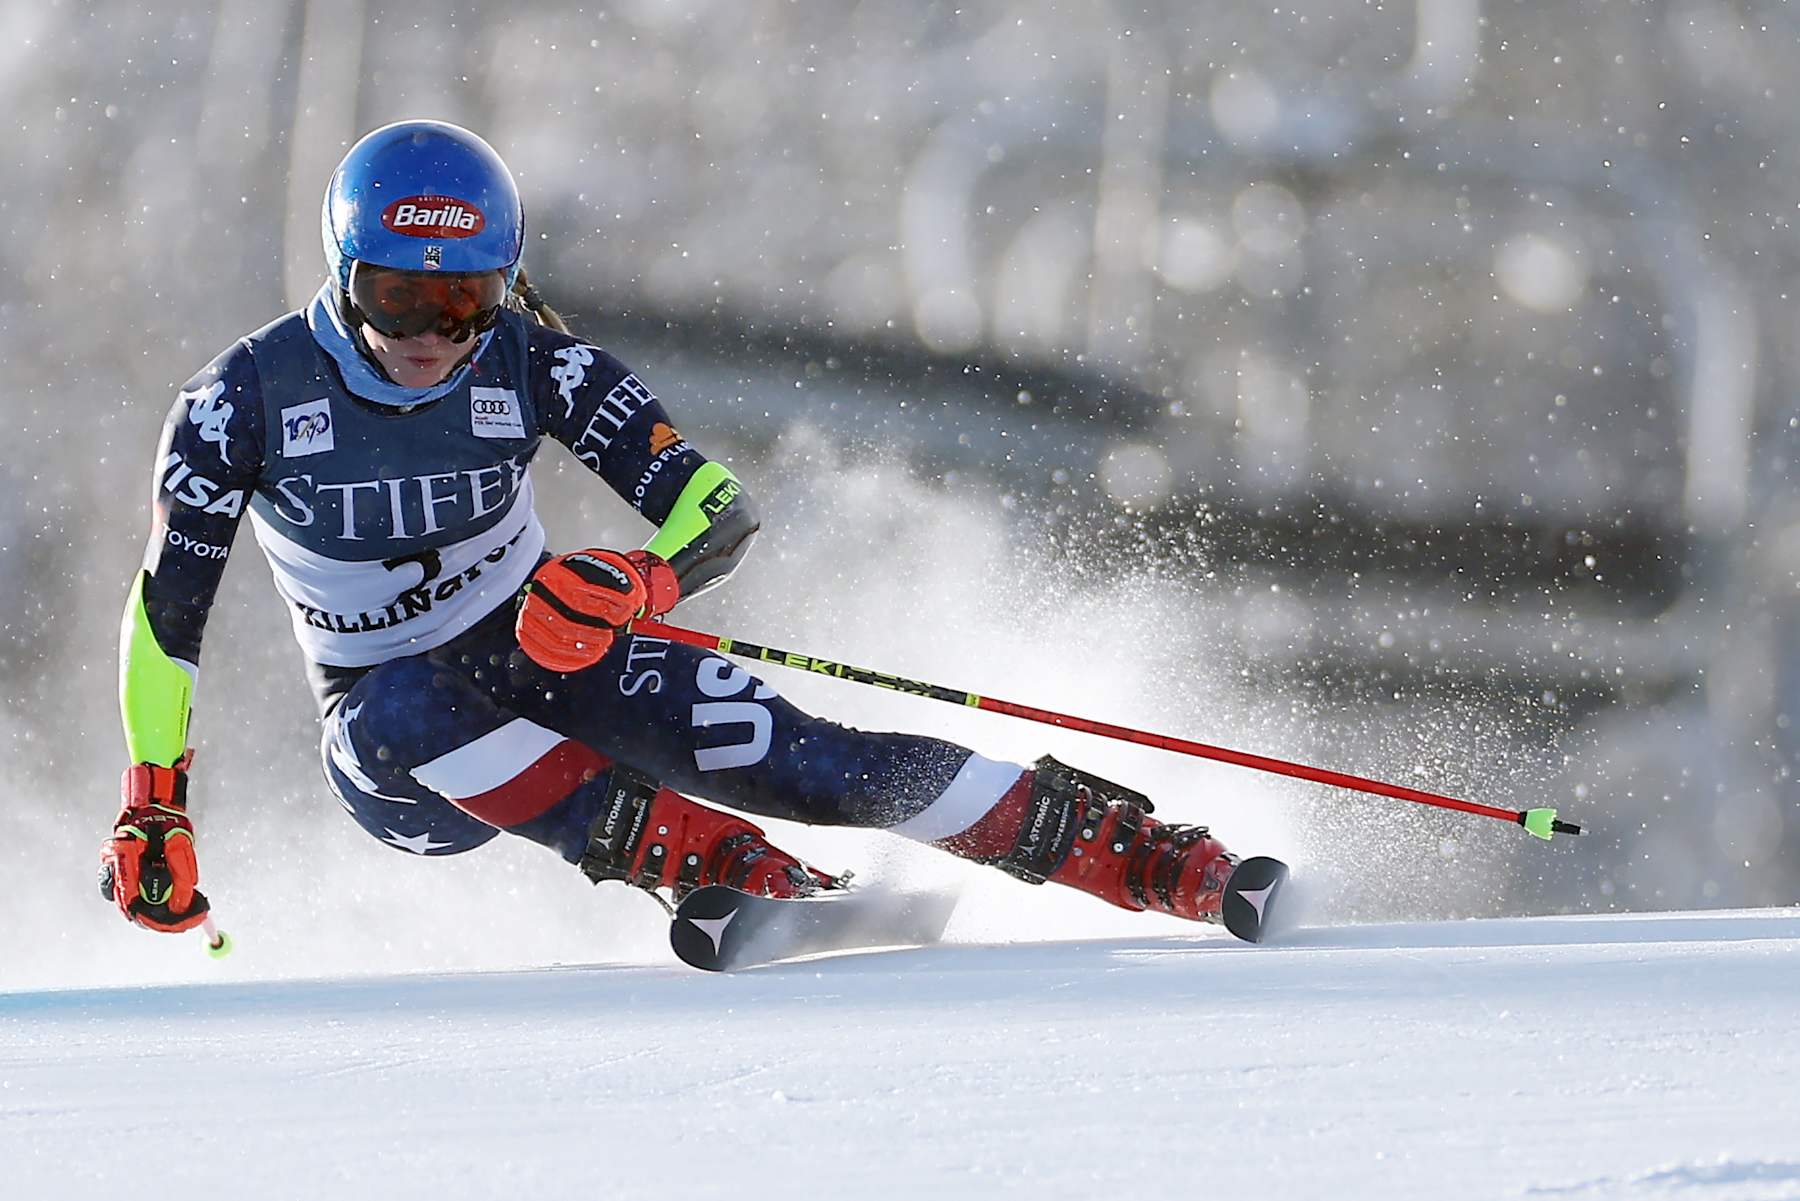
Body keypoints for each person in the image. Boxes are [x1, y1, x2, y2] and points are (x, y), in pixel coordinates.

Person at [102, 119, 1245, 944]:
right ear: (344, 273)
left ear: (506, 284)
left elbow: (715, 505)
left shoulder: (538, 365)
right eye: (399, 296)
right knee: (397, 706)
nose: (431, 334)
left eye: (465, 299)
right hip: (399, 756)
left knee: (803, 755)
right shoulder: (241, 400)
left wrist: (640, 582)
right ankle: (726, 866)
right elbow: (166, 618)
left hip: (547, 650)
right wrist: (155, 799)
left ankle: (1133, 853)